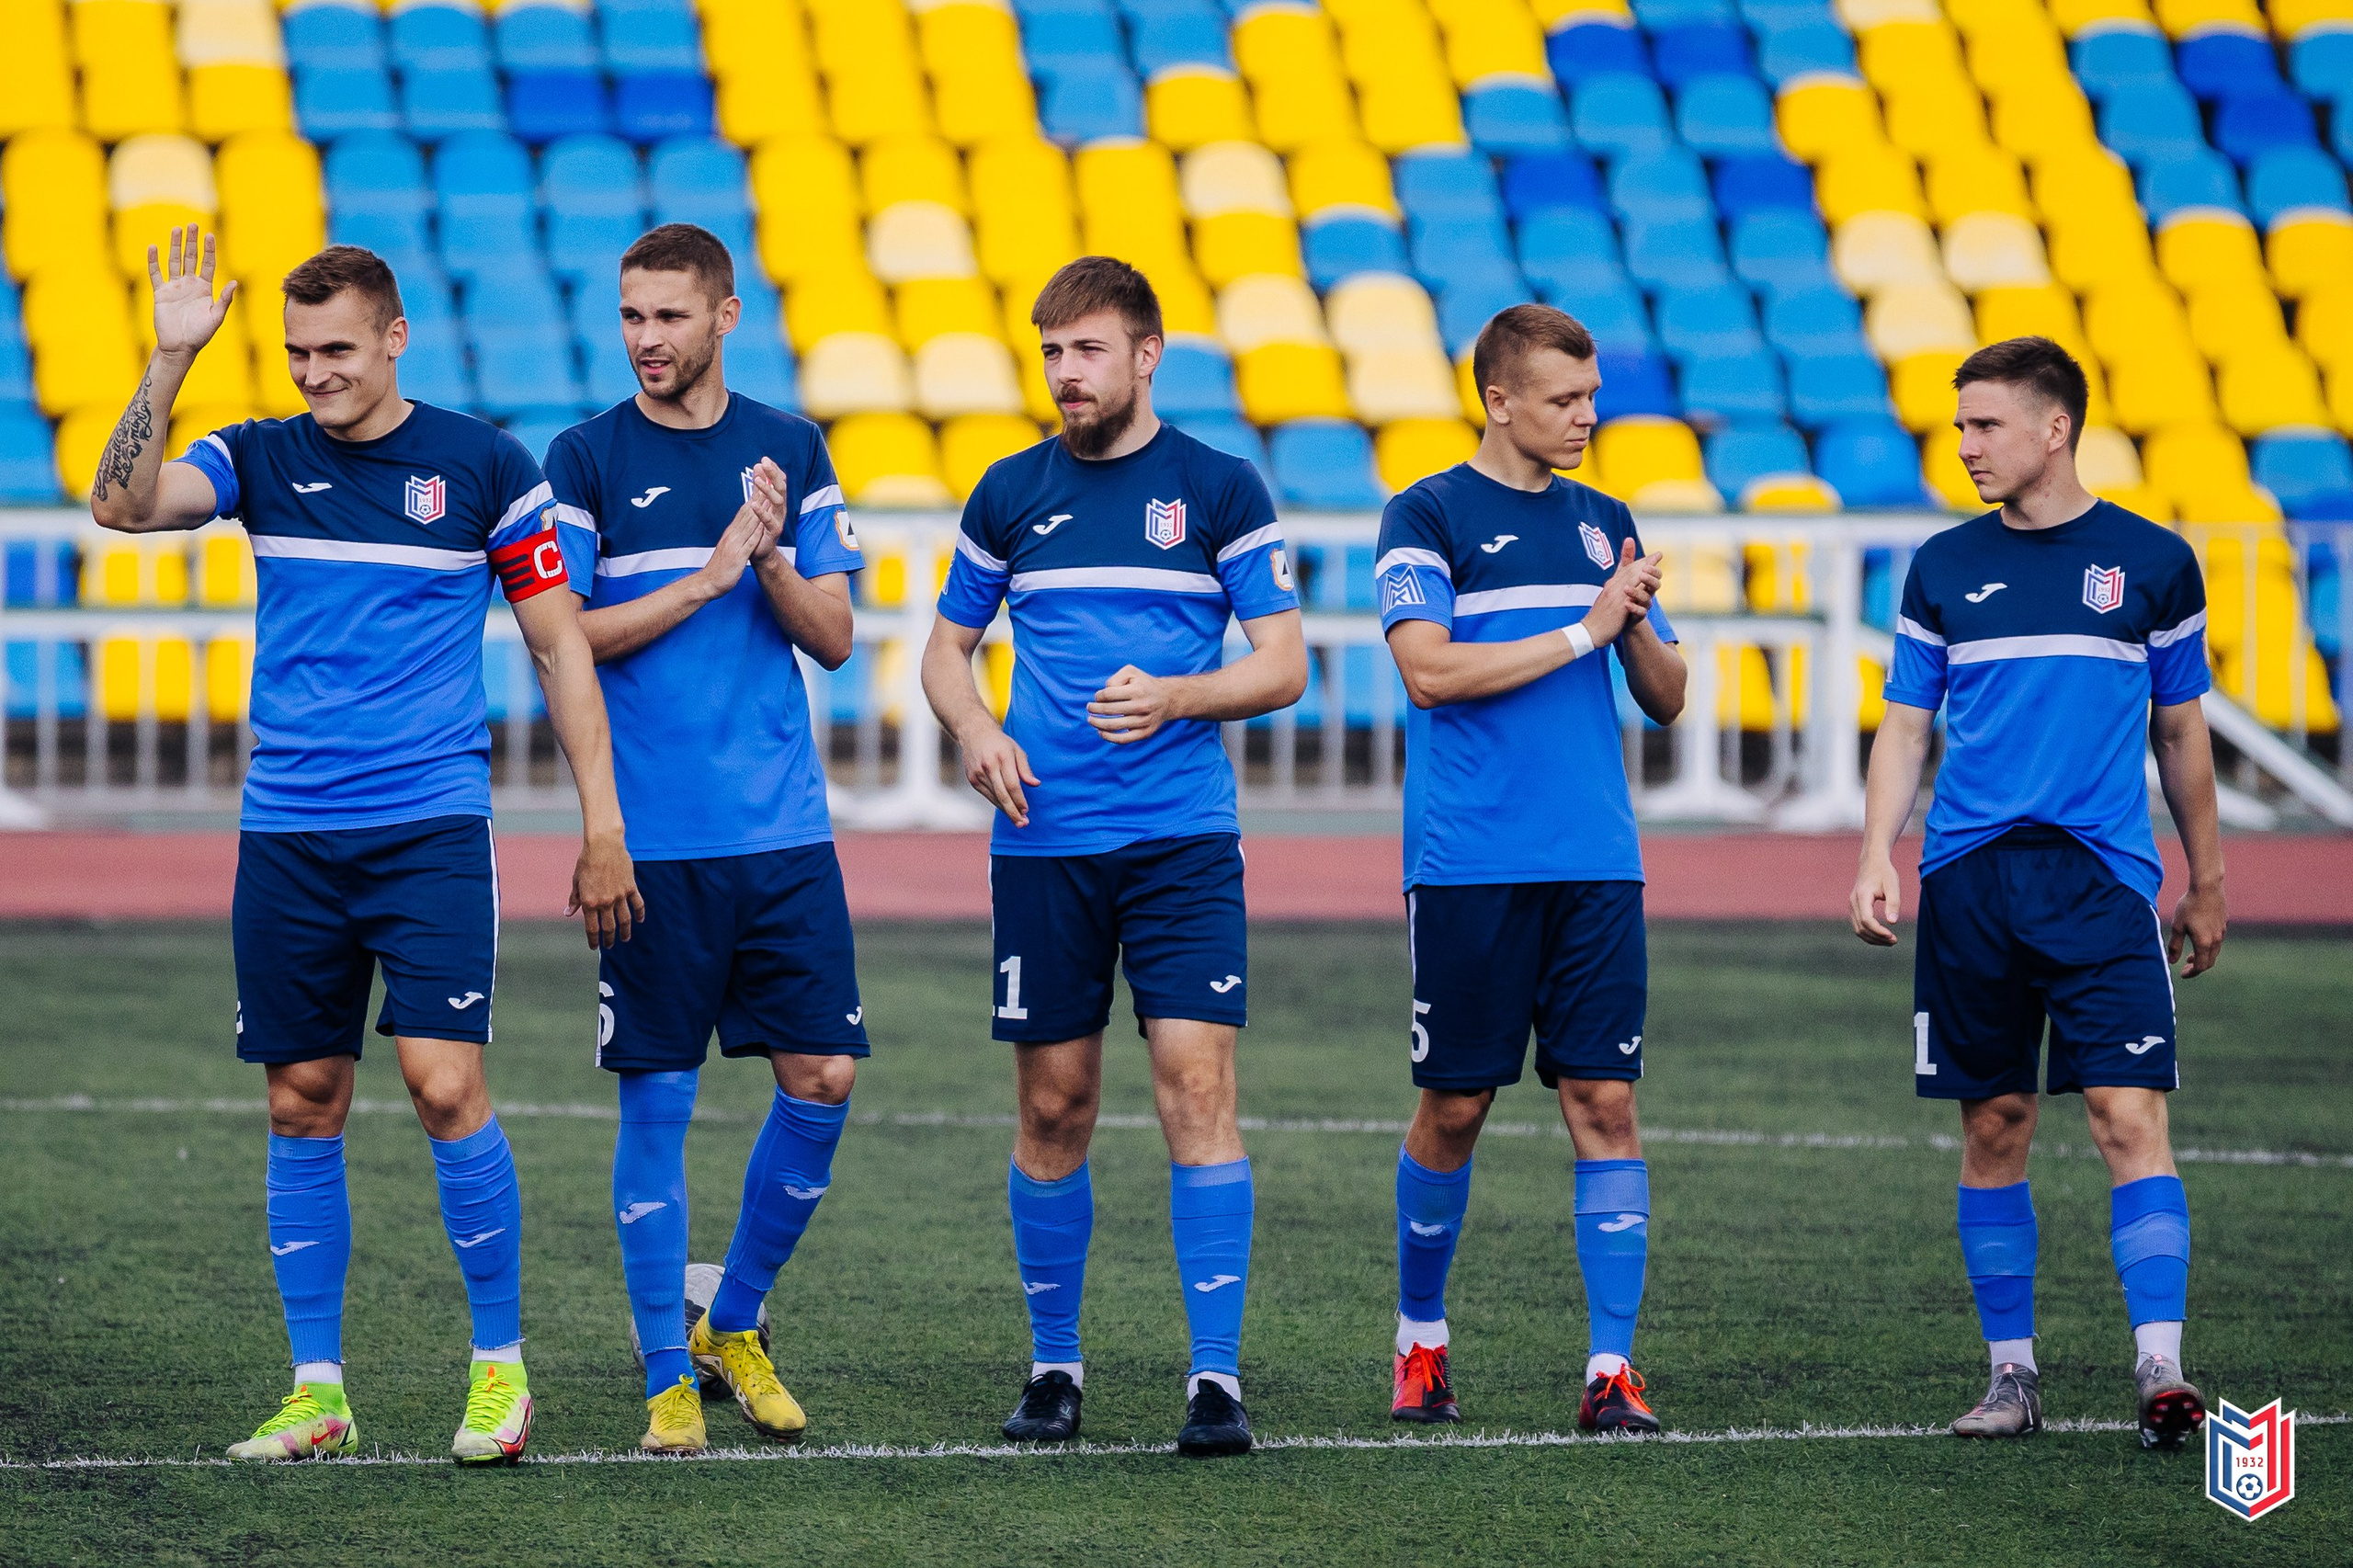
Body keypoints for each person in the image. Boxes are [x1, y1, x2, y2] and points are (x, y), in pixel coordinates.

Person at [89, 232, 640, 1464]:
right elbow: (120, 505)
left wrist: (601, 822)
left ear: (395, 339)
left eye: (336, 349)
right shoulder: (256, 455)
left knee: (444, 1086)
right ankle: (318, 1390)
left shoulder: (485, 465)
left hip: (427, 827)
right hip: (288, 831)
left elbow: (559, 642)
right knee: (302, 1097)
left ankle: (499, 1370)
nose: (315, 373)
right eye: (297, 352)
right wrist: (172, 358)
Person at [918, 256, 1307, 1457]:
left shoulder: (1218, 486)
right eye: (1051, 352)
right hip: (1046, 843)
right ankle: (1054, 1367)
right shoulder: (1009, 491)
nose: (1065, 372)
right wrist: (976, 730)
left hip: (1181, 842)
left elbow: (1283, 664)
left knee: (1197, 1088)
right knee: (1054, 1103)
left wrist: (1180, 692)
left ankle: (1215, 1379)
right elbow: (944, 651)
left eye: (1086, 349)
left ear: (1146, 356)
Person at [1850, 336, 2224, 1448]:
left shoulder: (2153, 563)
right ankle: (2010, 1376)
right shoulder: (1940, 566)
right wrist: (1876, 851)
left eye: (1985, 424)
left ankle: (2160, 1366)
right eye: (1959, 424)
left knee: (2126, 1115)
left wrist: (2206, 879)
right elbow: (1905, 724)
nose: (1964, 445)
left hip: (2103, 882)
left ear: (2054, 429)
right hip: (1970, 879)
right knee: (1995, 1122)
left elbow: (2180, 732)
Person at [546, 223, 865, 1455]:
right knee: (658, 1104)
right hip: (653, 842)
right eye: (631, 315)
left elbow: (832, 637)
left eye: (669, 316)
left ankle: (731, 1321)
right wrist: (705, 574)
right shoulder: (585, 456)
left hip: (782, 835)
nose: (646, 338)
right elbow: (563, 635)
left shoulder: (791, 446)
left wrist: (769, 555)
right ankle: (662, 1379)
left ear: (725, 317)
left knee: (823, 1077)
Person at [1371, 303, 1687, 1434]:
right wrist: (1585, 629)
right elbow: (1429, 672)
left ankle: (1611, 1366)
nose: (1585, 416)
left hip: (1596, 858)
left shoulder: (1607, 522)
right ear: (1498, 400)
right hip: (1470, 860)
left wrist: (1632, 620)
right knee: (1454, 1105)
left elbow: (1667, 695)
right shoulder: (1426, 514)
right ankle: (1420, 1336)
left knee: (1605, 1098)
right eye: (1563, 398)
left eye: (1591, 395)